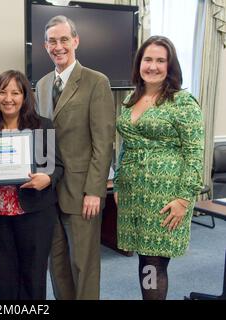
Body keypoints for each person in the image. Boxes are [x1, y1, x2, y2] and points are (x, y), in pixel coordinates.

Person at [113, 35, 204, 300]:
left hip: (166, 196)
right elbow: (127, 147)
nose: (153, 66)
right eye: (148, 59)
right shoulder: (131, 98)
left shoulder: (182, 102)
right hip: (134, 194)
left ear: (170, 66)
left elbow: (194, 153)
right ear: (139, 63)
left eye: (160, 61)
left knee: (154, 262)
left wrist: (184, 199)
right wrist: (118, 183)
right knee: (145, 260)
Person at [35, 15, 115, 300]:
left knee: (83, 264)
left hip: (82, 193)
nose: (58, 46)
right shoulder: (42, 85)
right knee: (56, 263)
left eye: (64, 40)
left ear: (76, 41)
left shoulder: (96, 82)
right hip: (48, 191)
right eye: (52, 41)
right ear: (45, 46)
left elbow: (103, 143)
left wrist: (95, 190)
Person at [0, 70, 64, 300]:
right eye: (2, 92)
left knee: (33, 274)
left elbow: (57, 166)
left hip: (35, 212)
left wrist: (47, 178)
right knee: (5, 274)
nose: (8, 98)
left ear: (25, 96)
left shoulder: (42, 126)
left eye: (15, 92)